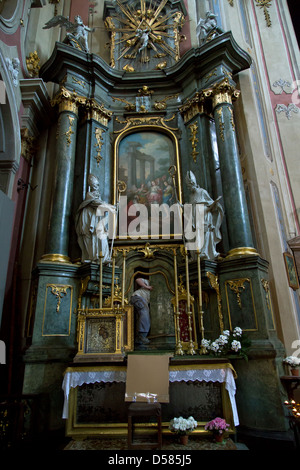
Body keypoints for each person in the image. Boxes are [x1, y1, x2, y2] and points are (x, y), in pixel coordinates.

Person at [75, 174, 115, 263]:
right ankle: (93, 257)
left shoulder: (97, 195)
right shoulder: (89, 195)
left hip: (96, 217)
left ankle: (103, 257)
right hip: (89, 218)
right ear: (91, 186)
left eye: (97, 185)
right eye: (94, 186)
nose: (96, 187)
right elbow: (97, 203)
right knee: (93, 236)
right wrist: (111, 207)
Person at [186, 171, 224, 260]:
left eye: (189, 186)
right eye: (187, 187)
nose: (189, 188)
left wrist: (214, 204)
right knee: (196, 233)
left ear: (193, 183)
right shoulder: (191, 196)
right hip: (195, 216)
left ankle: (204, 252)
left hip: (204, 214)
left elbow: (210, 202)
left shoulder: (202, 192)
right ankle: (197, 252)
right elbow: (190, 207)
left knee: (205, 232)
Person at [130, 277, 153, 345]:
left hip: (141, 300)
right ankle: (142, 335)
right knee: (144, 312)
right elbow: (138, 280)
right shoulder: (148, 282)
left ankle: (139, 337)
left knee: (143, 314)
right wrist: (147, 286)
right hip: (137, 297)